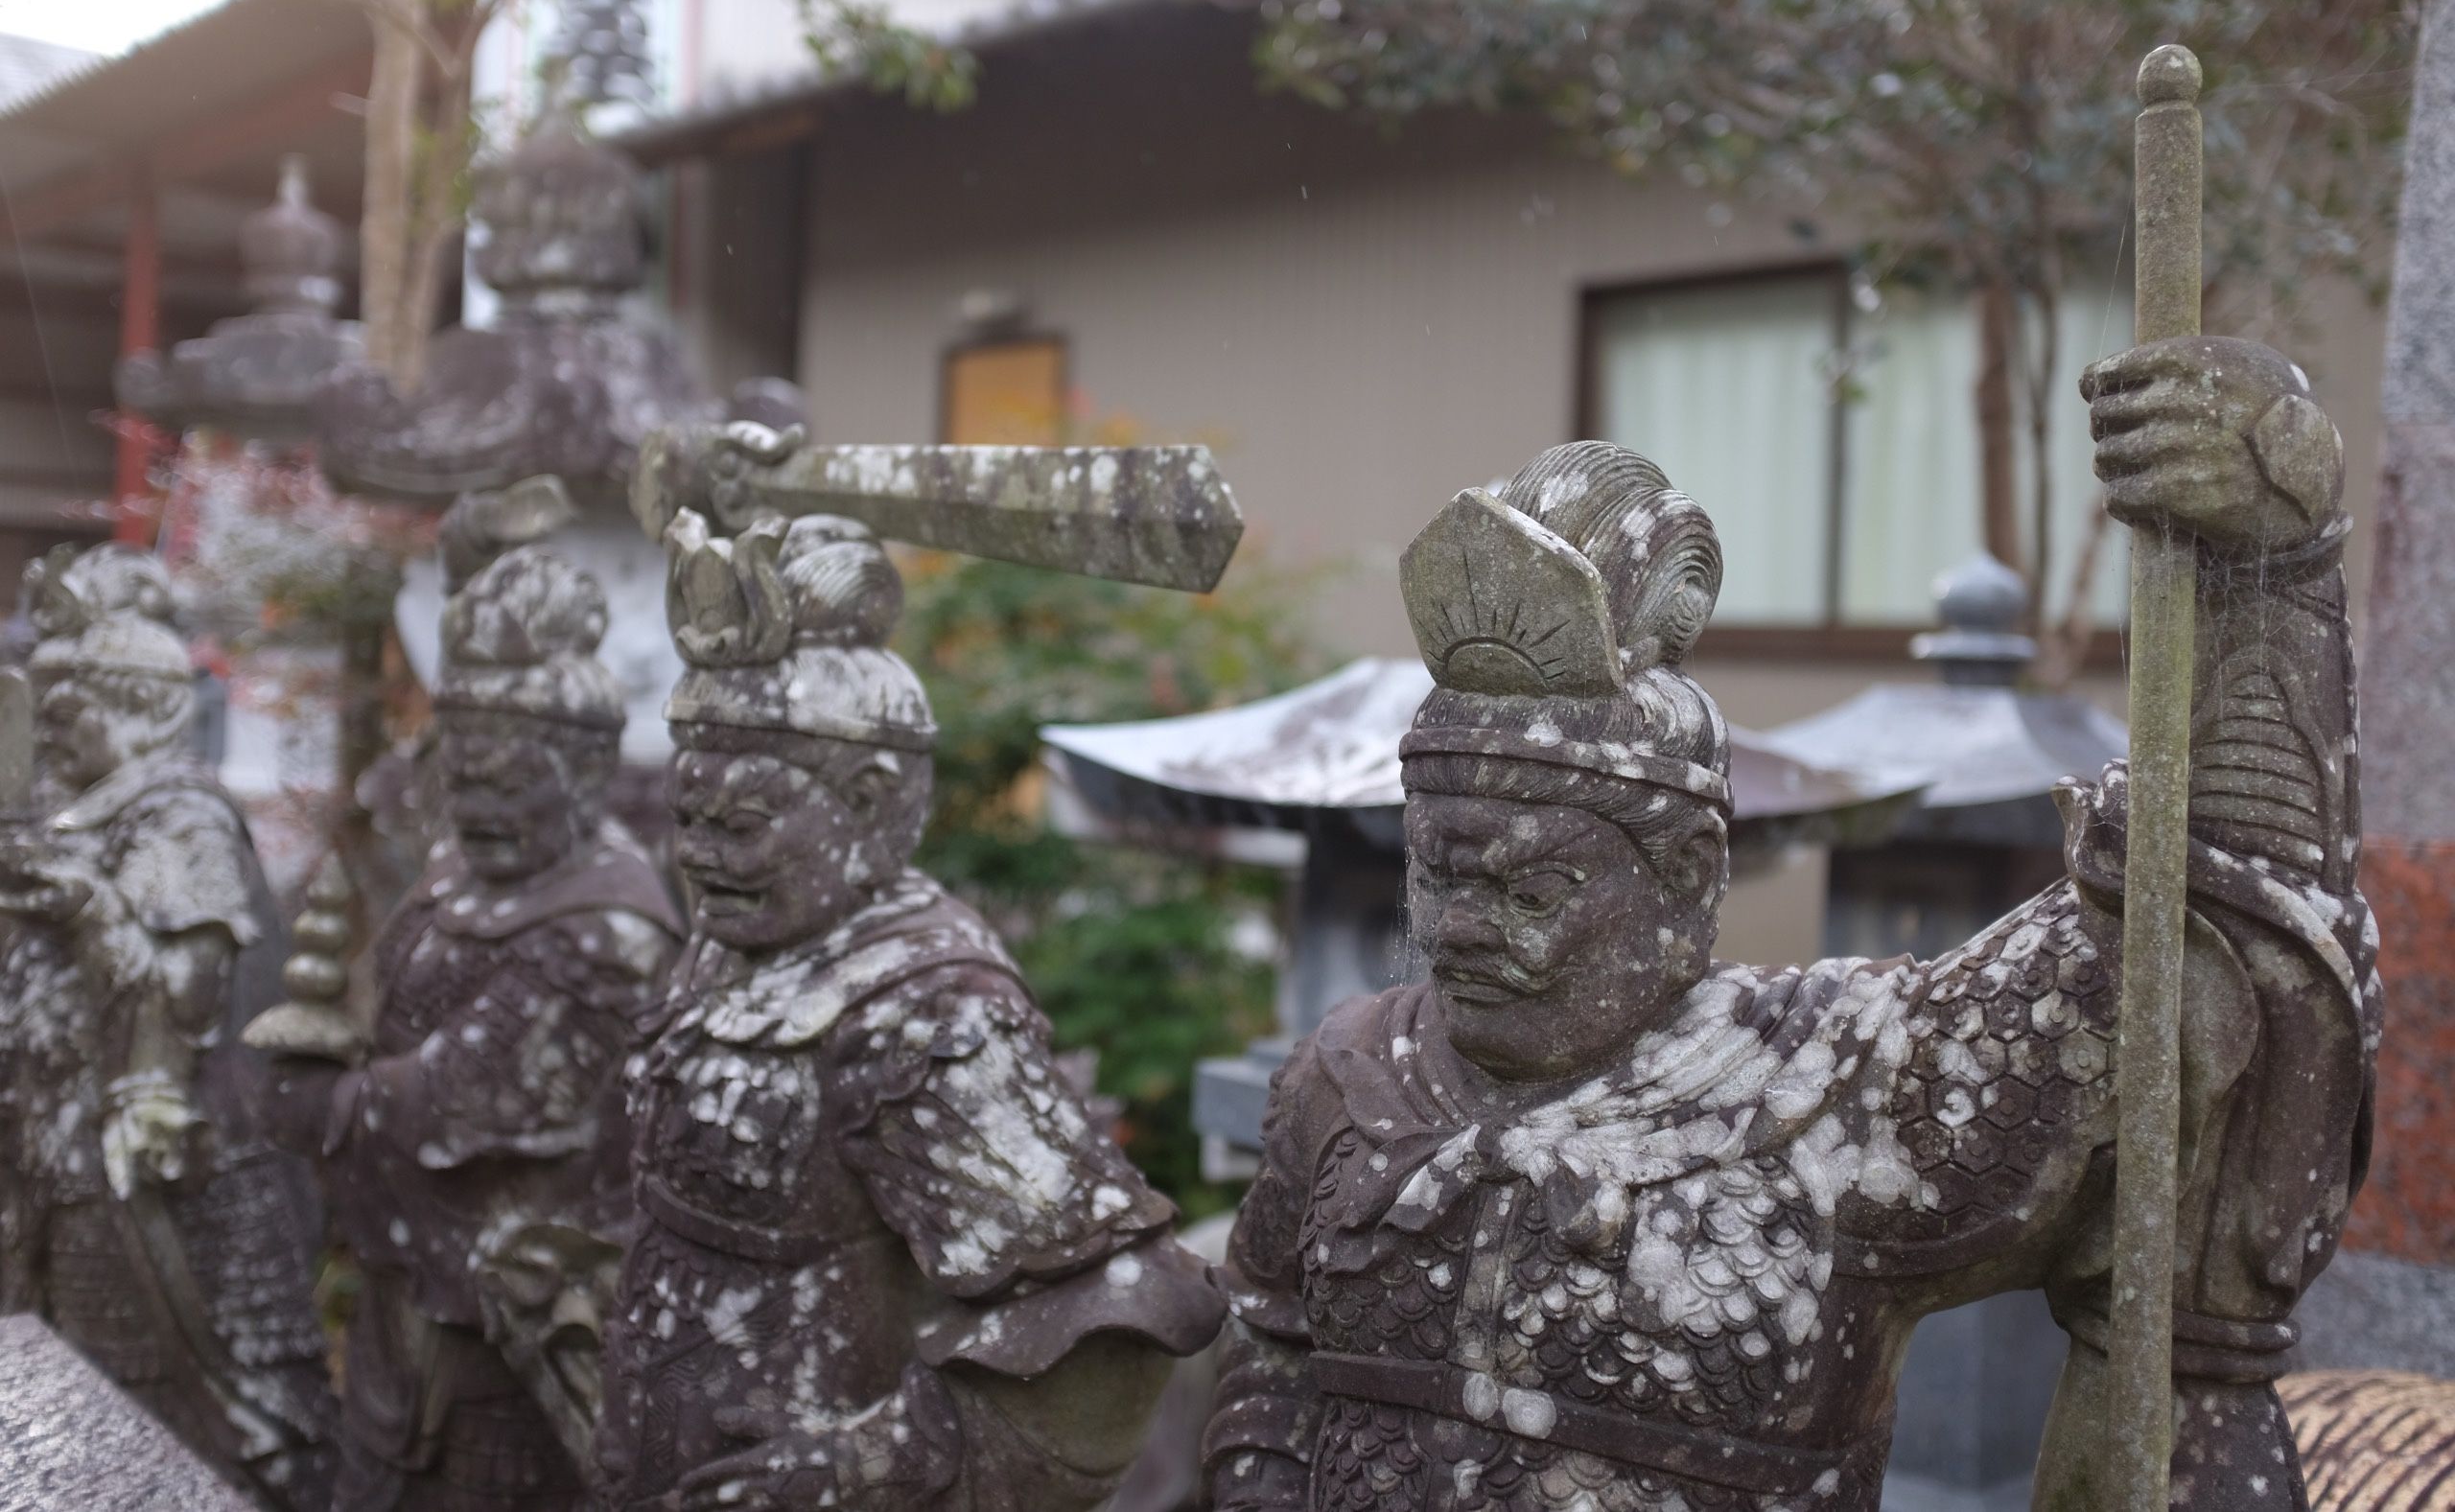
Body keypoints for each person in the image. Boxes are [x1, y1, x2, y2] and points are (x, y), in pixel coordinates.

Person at [1201, 337, 2374, 1511]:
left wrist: (2268, 568)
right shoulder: (1346, 1080)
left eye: (1531, 890)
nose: (1460, 926)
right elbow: (1270, 1350)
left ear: (1685, 869)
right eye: (1437, 876)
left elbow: (2203, 947)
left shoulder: (1836, 1083)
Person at [594, 509, 1227, 1511]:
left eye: (745, 822)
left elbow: (1115, 1311)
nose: (704, 854)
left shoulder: (921, 1008)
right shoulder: (728, 947)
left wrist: (876, 1462)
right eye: (689, 819)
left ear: (873, 799)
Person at [265, 538, 681, 1510]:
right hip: (406, 1292)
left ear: (582, 771)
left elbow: (458, 1097)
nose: (475, 804)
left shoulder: (605, 929)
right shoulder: (455, 872)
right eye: (464, 777)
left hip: (523, 1322)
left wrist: (320, 1102)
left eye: (506, 781)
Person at [0, 543, 334, 1506]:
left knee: (166, 1405)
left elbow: (185, 991)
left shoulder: (180, 819)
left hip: (153, 1168)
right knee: (56, 1399)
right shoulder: (72, 824)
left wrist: (88, 908)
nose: (57, 753)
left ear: (142, 708)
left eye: (72, 726)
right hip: (55, 1162)